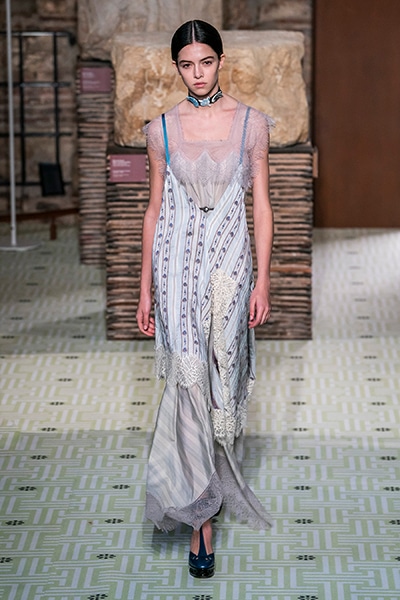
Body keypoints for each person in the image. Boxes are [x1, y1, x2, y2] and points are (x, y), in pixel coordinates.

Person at [136, 19, 274, 579]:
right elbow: (153, 209)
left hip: (231, 261)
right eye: (186, 65)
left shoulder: (251, 124)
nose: (197, 74)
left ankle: (208, 486)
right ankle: (201, 519)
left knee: (223, 373)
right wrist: (144, 288)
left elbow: (261, 205)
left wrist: (263, 280)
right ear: (176, 67)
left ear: (221, 60)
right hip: (174, 265)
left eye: (206, 62)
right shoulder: (161, 129)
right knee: (189, 381)